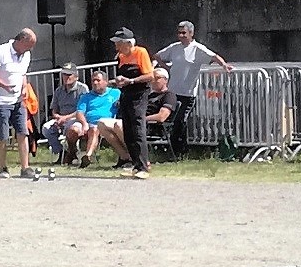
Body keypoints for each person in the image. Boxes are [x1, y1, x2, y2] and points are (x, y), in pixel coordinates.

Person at [153, 21, 234, 160]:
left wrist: (224, 65)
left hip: (188, 94)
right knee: (169, 121)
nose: (181, 36)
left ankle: (180, 152)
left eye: (184, 33)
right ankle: (167, 150)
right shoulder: (174, 48)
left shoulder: (197, 48)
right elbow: (157, 56)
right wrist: (166, 68)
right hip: (172, 92)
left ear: (191, 33)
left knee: (181, 121)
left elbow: (214, 56)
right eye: (179, 33)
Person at [0, 28, 39, 179]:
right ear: (21, 40)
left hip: (18, 101)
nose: (30, 49)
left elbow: (23, 73)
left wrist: (25, 87)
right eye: (28, 45)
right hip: (0, 101)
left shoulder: (26, 54)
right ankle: (3, 168)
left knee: (23, 133)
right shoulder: (1, 51)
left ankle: (25, 168)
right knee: (3, 136)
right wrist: (4, 86)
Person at [109, 28, 156, 179]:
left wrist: (132, 81)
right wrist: (118, 81)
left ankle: (143, 165)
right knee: (128, 130)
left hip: (139, 95)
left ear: (128, 43)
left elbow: (149, 75)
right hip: (126, 94)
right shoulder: (121, 56)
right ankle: (135, 164)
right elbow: (124, 76)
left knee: (137, 129)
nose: (116, 46)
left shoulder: (141, 52)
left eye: (119, 43)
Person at [68, 70, 119, 168]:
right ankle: (72, 153)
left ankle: (88, 156)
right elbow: (79, 112)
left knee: (95, 129)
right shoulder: (86, 97)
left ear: (105, 82)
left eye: (98, 80)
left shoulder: (115, 93)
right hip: (87, 122)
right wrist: (84, 124)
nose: (95, 83)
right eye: (93, 81)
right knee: (72, 130)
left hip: (105, 124)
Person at [42, 64, 89, 165]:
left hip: (76, 119)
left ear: (76, 76)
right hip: (61, 118)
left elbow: (81, 110)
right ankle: (61, 152)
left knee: (73, 130)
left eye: (69, 74)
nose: (66, 77)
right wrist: (57, 117)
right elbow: (54, 109)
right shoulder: (59, 90)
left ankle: (71, 153)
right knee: (46, 128)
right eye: (64, 74)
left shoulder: (82, 88)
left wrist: (65, 118)